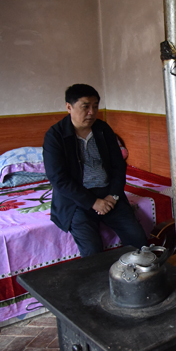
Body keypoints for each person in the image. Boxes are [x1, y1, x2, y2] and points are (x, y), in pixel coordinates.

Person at [43, 84, 148, 257]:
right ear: (69, 107)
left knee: (138, 241)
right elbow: (58, 178)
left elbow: (119, 166)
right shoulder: (55, 136)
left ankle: (136, 274)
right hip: (76, 201)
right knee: (92, 252)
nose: (91, 112)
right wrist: (92, 202)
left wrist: (113, 196)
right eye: (85, 106)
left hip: (108, 194)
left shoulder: (103, 130)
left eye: (95, 106)